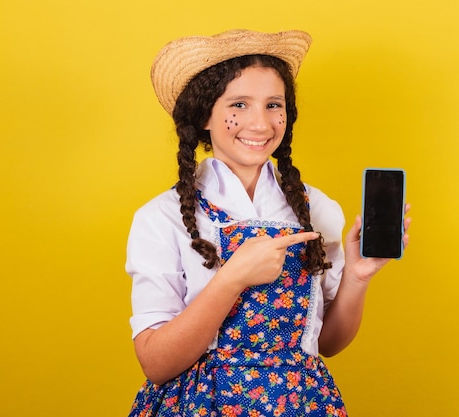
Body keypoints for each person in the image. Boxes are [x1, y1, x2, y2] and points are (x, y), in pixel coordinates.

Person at [126, 29, 411, 417]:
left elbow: (327, 343)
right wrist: (232, 278)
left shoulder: (318, 209)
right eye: (239, 105)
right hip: (201, 405)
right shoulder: (161, 218)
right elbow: (156, 364)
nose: (260, 123)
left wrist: (357, 279)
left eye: (273, 104)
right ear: (203, 115)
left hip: (301, 403)